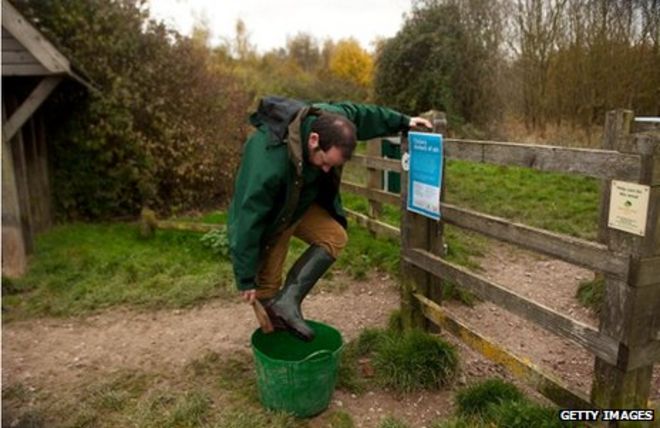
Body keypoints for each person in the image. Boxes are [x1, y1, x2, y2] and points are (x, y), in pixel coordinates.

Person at [228, 96, 432, 341]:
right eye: (325, 163)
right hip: (275, 214)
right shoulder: (268, 157)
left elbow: (364, 115)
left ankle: (290, 301)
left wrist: (405, 121)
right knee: (267, 290)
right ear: (314, 140)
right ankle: (277, 351)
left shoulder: (332, 118)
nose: (326, 170)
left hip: (300, 202)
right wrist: (245, 276)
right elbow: (247, 216)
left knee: (334, 237)